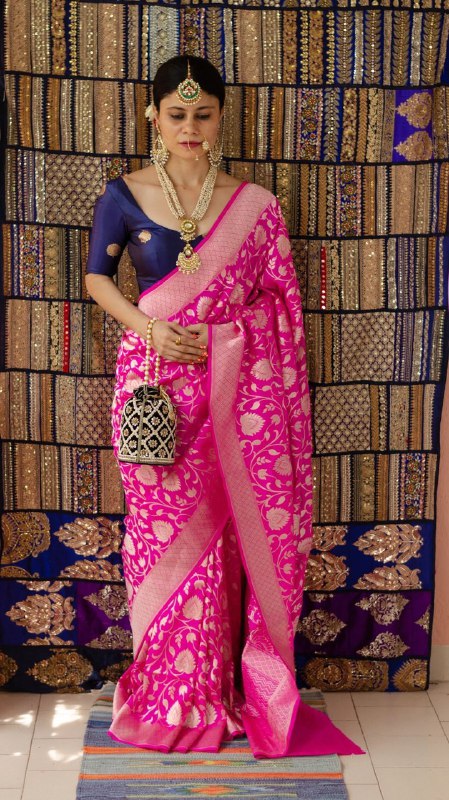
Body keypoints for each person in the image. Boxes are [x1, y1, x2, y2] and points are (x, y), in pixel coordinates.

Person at [85, 54, 363, 759]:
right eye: (176, 115)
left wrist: (224, 340)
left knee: (228, 539)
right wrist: (149, 328)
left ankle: (215, 688)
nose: (190, 128)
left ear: (220, 117)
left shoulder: (254, 206)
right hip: (154, 388)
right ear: (153, 116)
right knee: (162, 536)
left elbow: (278, 305)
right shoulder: (123, 195)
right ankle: (169, 692)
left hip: (239, 395)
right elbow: (97, 279)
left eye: (202, 115)